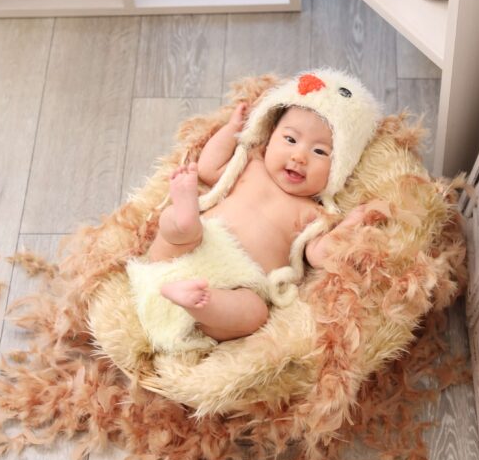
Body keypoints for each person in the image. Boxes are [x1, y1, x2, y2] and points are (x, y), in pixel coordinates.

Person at [127, 70, 384, 352]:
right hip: (199, 243)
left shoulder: (315, 213)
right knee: (175, 228)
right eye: (290, 139)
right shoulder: (251, 165)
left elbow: (319, 255)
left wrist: (356, 220)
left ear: (339, 170)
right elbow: (209, 168)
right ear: (268, 137)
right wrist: (232, 129)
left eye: (320, 152)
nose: (299, 157)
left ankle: (200, 302)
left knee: (255, 312)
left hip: (239, 282)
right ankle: (184, 221)